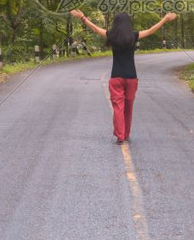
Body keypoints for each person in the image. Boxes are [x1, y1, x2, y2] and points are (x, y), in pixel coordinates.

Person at [69, 9, 177, 143]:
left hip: (116, 78)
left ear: (115, 23)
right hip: (131, 78)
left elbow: (96, 29)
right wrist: (165, 19)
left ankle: (120, 135)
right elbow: (150, 30)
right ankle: (125, 133)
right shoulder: (133, 35)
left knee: (118, 107)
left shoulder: (111, 36)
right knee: (128, 107)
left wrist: (83, 17)